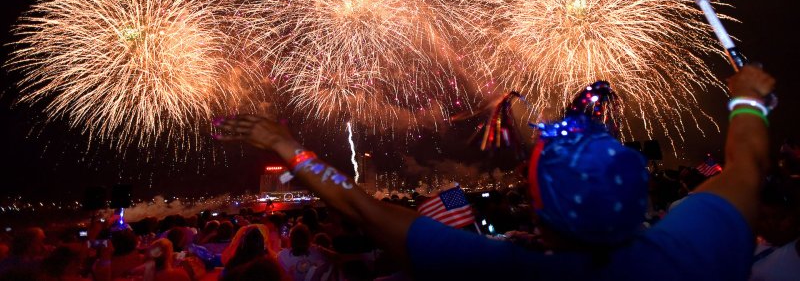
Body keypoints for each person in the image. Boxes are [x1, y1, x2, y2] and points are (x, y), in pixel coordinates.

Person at [217, 65, 776, 280]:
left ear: (541, 213)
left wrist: (285, 144)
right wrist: (748, 99)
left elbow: (356, 204)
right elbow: (747, 163)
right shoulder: (695, 250)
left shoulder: (495, 269)